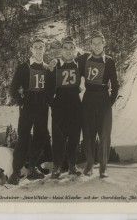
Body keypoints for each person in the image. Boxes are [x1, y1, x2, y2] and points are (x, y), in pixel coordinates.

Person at [7, 37, 53, 185]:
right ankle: (16, 172)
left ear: (44, 49)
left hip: (42, 108)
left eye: (41, 47)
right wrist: (21, 102)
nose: (39, 49)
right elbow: (13, 89)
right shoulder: (23, 67)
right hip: (27, 107)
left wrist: (48, 101)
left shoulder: (47, 68)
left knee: (40, 137)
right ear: (31, 49)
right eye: (36, 47)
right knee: (23, 138)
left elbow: (51, 88)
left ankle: (32, 167)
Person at [77, 31, 119, 178]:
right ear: (90, 45)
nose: (96, 46)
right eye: (93, 43)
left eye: (99, 43)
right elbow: (68, 62)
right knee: (88, 134)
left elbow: (115, 85)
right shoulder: (83, 60)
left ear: (104, 44)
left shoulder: (109, 61)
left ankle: (103, 167)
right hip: (88, 99)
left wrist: (110, 103)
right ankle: (89, 164)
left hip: (103, 100)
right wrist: (54, 62)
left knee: (104, 135)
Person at [49, 36, 82, 179]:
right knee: (58, 139)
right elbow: (48, 88)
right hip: (60, 107)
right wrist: (53, 104)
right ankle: (56, 167)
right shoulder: (55, 65)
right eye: (65, 48)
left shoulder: (79, 64)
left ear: (75, 50)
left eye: (71, 48)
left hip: (75, 105)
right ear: (61, 50)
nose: (68, 51)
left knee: (74, 137)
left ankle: (72, 166)